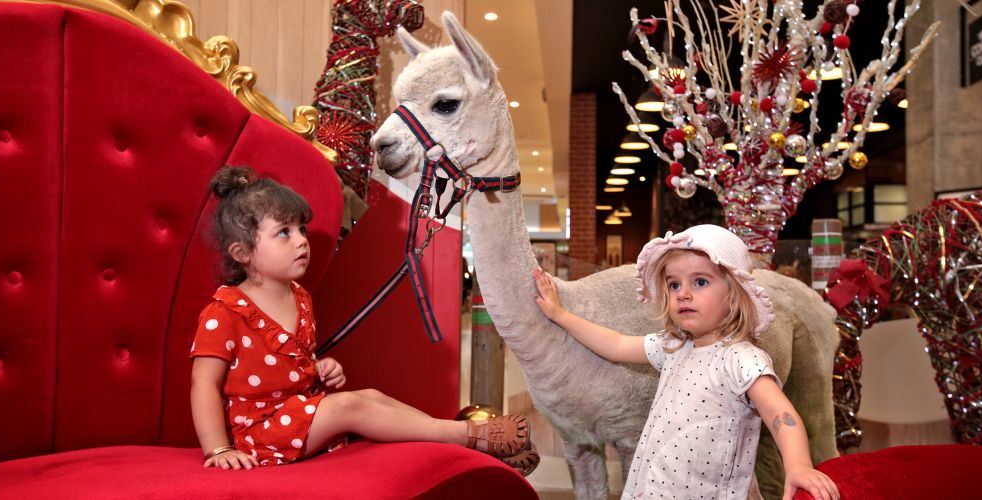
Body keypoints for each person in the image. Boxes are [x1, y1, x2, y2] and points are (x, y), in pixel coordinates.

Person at [190, 166, 536, 474]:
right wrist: (218, 449)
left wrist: (321, 366)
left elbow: (293, 363)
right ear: (243, 253)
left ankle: (458, 442)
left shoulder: (301, 298)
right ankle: (465, 435)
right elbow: (203, 385)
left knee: (370, 394)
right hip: (261, 433)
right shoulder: (225, 311)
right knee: (350, 405)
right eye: (284, 232)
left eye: (302, 230)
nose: (301, 241)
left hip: (298, 416)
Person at [532, 224, 839, 500]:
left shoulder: (740, 358)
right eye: (674, 284)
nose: (683, 294)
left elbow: (781, 415)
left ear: (735, 295)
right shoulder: (674, 348)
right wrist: (561, 316)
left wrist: (799, 466)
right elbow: (615, 344)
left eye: (700, 282)